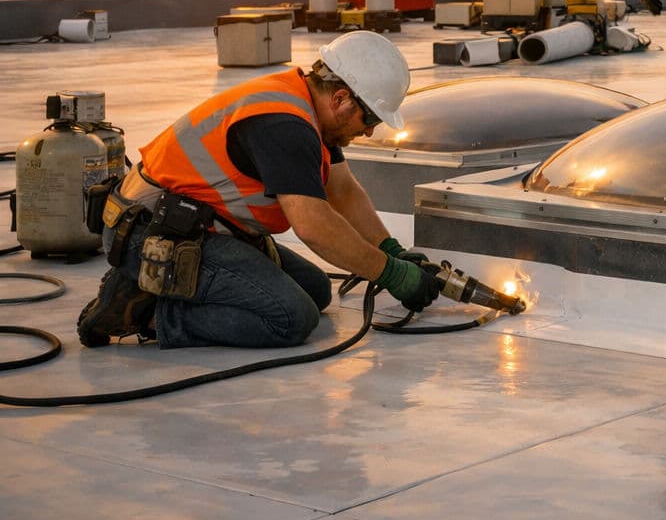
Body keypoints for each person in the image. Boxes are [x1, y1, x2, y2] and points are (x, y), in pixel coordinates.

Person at [76, 30, 441, 349]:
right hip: (152, 234)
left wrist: (390, 250)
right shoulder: (285, 125)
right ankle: (145, 312)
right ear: (341, 98)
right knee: (290, 318)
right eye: (371, 119)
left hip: (199, 226)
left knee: (315, 290)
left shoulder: (308, 108)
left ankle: (154, 290)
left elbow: (342, 191)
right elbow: (314, 227)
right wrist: (391, 274)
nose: (370, 132)